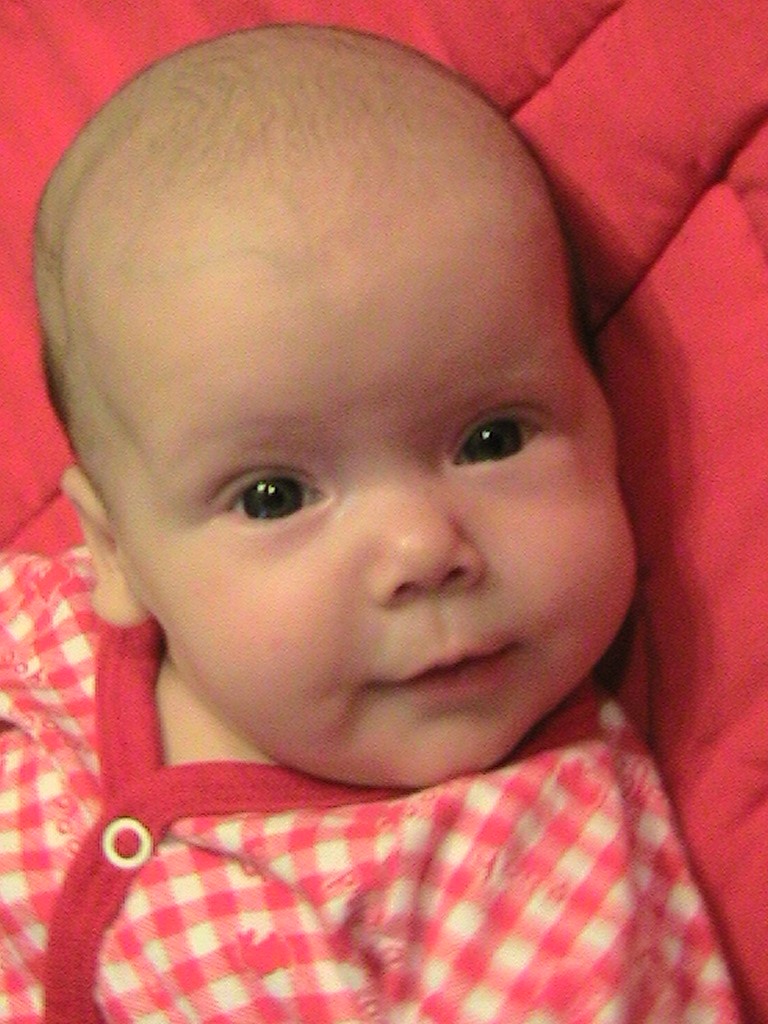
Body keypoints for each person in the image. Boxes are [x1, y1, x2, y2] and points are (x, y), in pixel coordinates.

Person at [0, 24, 736, 1024]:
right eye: (273, 496)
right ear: (117, 552)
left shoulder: (546, 881)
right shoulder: (46, 634)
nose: (424, 550)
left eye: (491, 438)